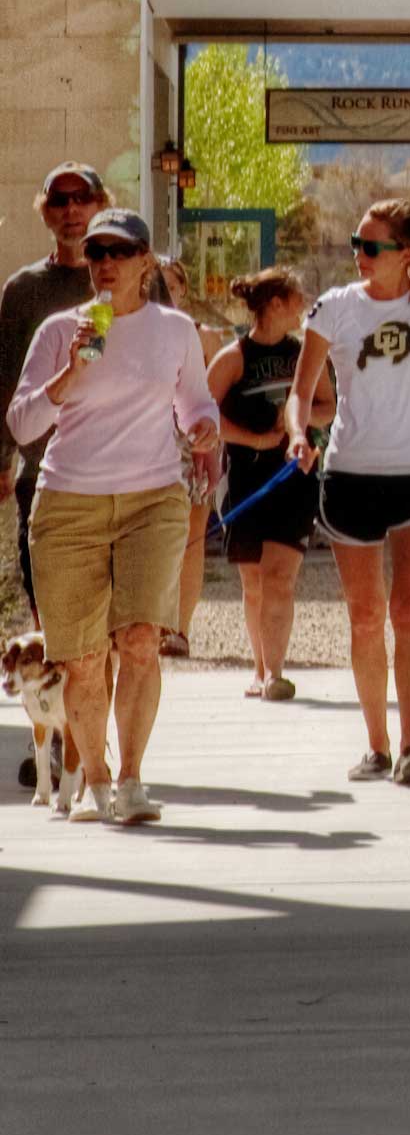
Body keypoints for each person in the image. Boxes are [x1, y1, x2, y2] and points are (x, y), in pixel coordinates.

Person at [2, 207, 217, 824]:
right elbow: (22, 424)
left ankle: (131, 781)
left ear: (145, 262)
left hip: (152, 495)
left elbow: (194, 400)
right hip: (69, 501)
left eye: (119, 253)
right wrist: (70, 374)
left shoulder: (174, 330)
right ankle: (93, 778)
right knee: (84, 659)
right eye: (96, 253)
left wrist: (203, 426)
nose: (105, 264)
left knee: (141, 640)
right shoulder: (58, 330)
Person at [298, 200, 410, 788]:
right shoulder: (336, 307)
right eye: (355, 245)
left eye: (371, 247)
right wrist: (298, 432)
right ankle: (377, 746)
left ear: (408, 255)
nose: (359, 256)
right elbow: (303, 389)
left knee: (409, 611)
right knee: (366, 617)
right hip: (351, 474)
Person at [0, 164, 109, 629]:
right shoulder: (24, 290)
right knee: (50, 610)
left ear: (102, 205)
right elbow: (5, 381)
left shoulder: (135, 278)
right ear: (44, 213)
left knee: (116, 618)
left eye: (82, 198)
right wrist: (2, 460)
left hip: (119, 466)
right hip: (43, 471)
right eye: (59, 201)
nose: (71, 210)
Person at [210, 268, 318, 701]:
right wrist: (254, 437)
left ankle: (275, 672)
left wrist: (300, 424)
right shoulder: (234, 356)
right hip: (246, 478)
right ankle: (260, 670)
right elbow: (202, 414)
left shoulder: (305, 354)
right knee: (253, 582)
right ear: (276, 304)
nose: (304, 305)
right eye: (297, 298)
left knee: (280, 578)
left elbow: (326, 403)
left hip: (294, 476)